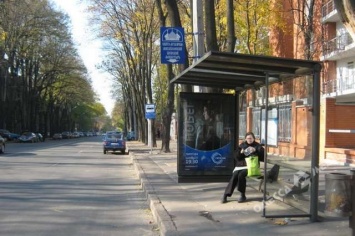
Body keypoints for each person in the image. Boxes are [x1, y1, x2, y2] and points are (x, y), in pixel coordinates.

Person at [221, 132, 264, 203]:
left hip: (251, 166)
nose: (249, 140)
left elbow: (262, 156)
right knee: (235, 175)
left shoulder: (257, 146)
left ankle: (242, 195)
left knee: (241, 175)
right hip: (241, 165)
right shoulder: (242, 145)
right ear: (245, 139)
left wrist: (256, 150)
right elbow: (236, 157)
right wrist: (240, 153)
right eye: (248, 138)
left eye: (250, 138)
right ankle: (226, 194)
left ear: (253, 138)